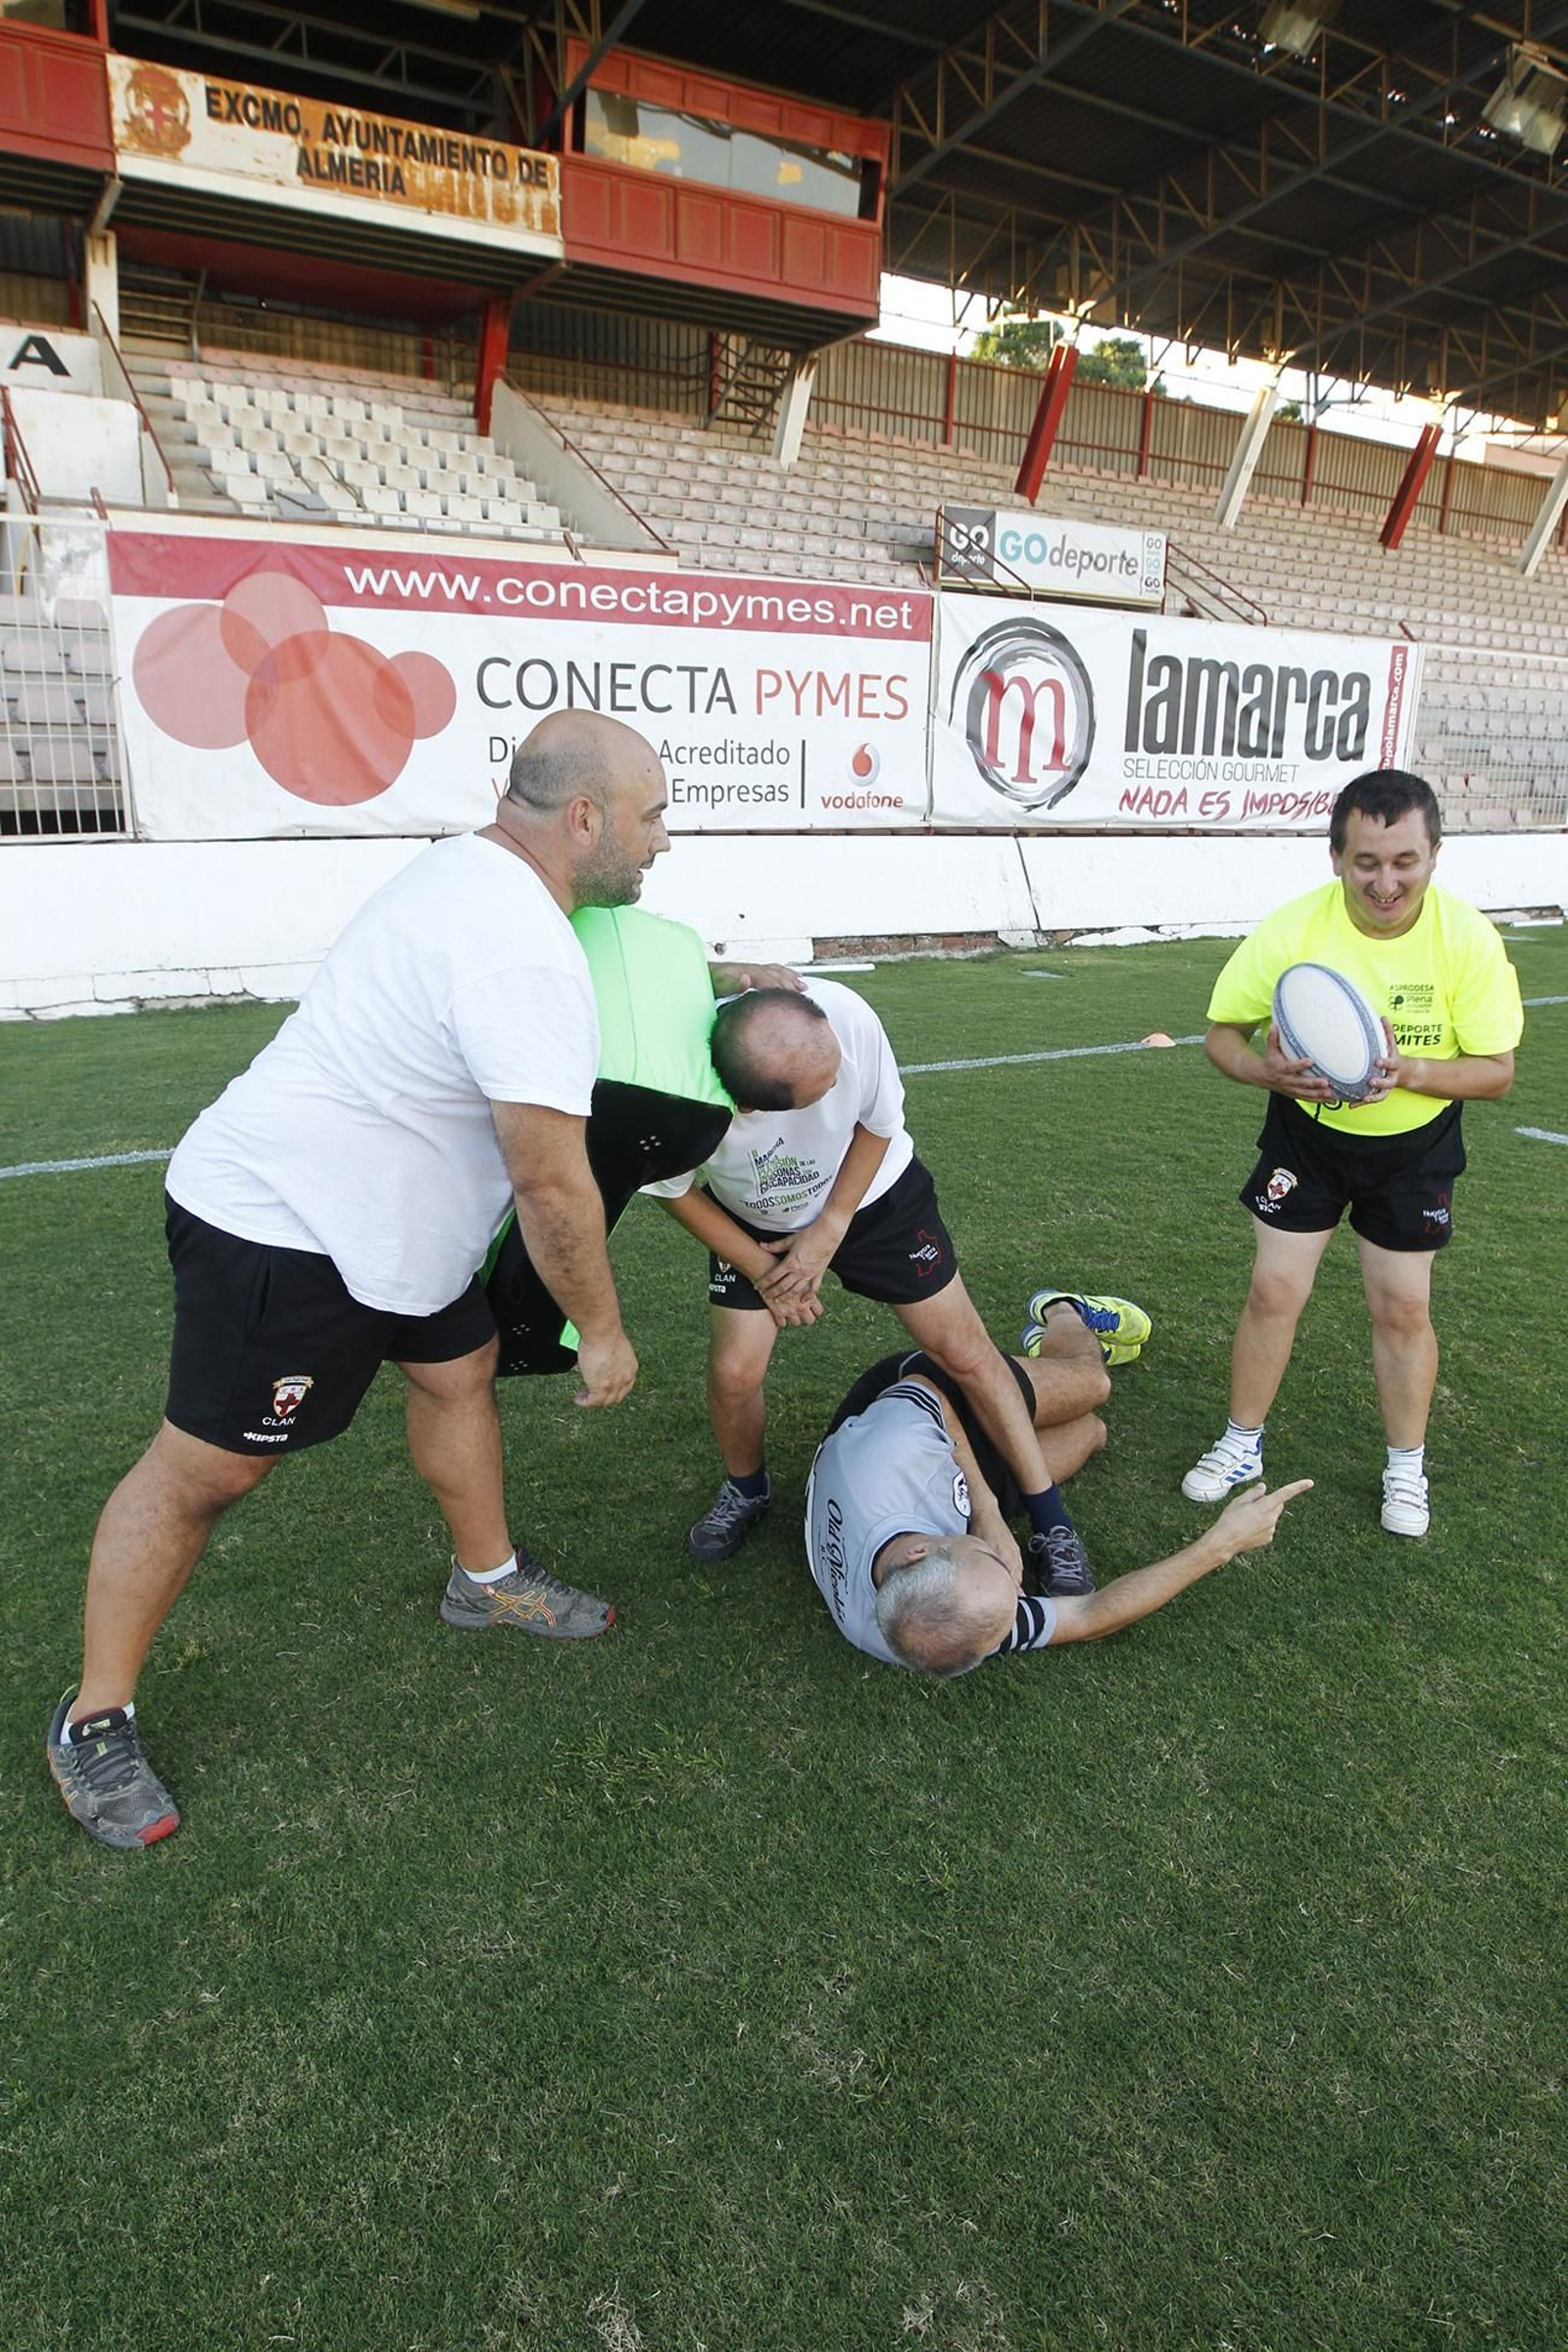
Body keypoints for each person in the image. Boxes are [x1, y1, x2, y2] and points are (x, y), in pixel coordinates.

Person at [45, 712, 770, 1852]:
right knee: (205, 1475)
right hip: (290, 1229)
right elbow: (550, 1184)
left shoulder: (478, 873)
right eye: (653, 815)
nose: (663, 841)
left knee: (458, 1369)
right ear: (584, 818)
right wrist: (605, 1331)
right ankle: (94, 1718)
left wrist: (723, 975)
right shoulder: (519, 948)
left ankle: (483, 1578)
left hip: (398, 1231)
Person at [648, 980, 1151, 1591]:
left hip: (876, 1197)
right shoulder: (674, 1091)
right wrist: (764, 1272)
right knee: (734, 1373)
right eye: (817, 1093)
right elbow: (675, 1190)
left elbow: (878, 1123)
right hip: (753, 1220)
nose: (836, 1087)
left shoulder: (846, 1016)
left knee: (965, 1352)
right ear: (750, 1108)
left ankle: (1050, 1520)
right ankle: (747, 1489)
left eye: (832, 1070)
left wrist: (829, 1229)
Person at [1181, 768, 1523, 1539]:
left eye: (1405, 861)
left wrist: (1415, 1073)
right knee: (1273, 1291)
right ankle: (1241, 1442)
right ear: (1336, 858)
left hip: (1415, 1148)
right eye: (1366, 862)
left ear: (1435, 853)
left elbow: (1496, 1071)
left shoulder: (1466, 938)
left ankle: (1405, 1465)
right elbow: (1221, 1036)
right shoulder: (1292, 929)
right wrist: (1262, 1069)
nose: (1386, 881)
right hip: (1306, 1137)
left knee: (1402, 1307)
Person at [806, 1311, 1312, 1676]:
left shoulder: (885, 1455)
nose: (1015, 1566)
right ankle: (1044, 1369)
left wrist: (988, 1514)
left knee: (1093, 1386)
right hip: (934, 1492)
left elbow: (930, 1383)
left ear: (922, 1551)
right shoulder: (934, 1628)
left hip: (913, 1401)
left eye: (994, 1559)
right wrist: (1218, 1545)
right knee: (1091, 1433)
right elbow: (1090, 1615)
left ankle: (1061, 1310)